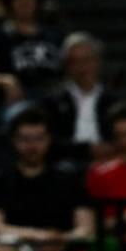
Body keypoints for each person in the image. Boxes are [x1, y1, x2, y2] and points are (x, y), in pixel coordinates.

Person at [0, 107, 94, 251]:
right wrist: (39, 236)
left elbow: (86, 229)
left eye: (39, 139)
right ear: (13, 141)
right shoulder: (1, 180)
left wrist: (61, 240)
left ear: (49, 139)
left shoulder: (70, 179)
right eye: (25, 140)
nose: (32, 146)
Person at [45, 32, 118, 162]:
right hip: (66, 161)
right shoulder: (54, 99)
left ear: (98, 62)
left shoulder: (113, 100)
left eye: (87, 60)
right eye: (75, 62)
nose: (82, 68)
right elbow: (49, 140)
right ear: (67, 66)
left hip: (108, 161)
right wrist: (86, 149)